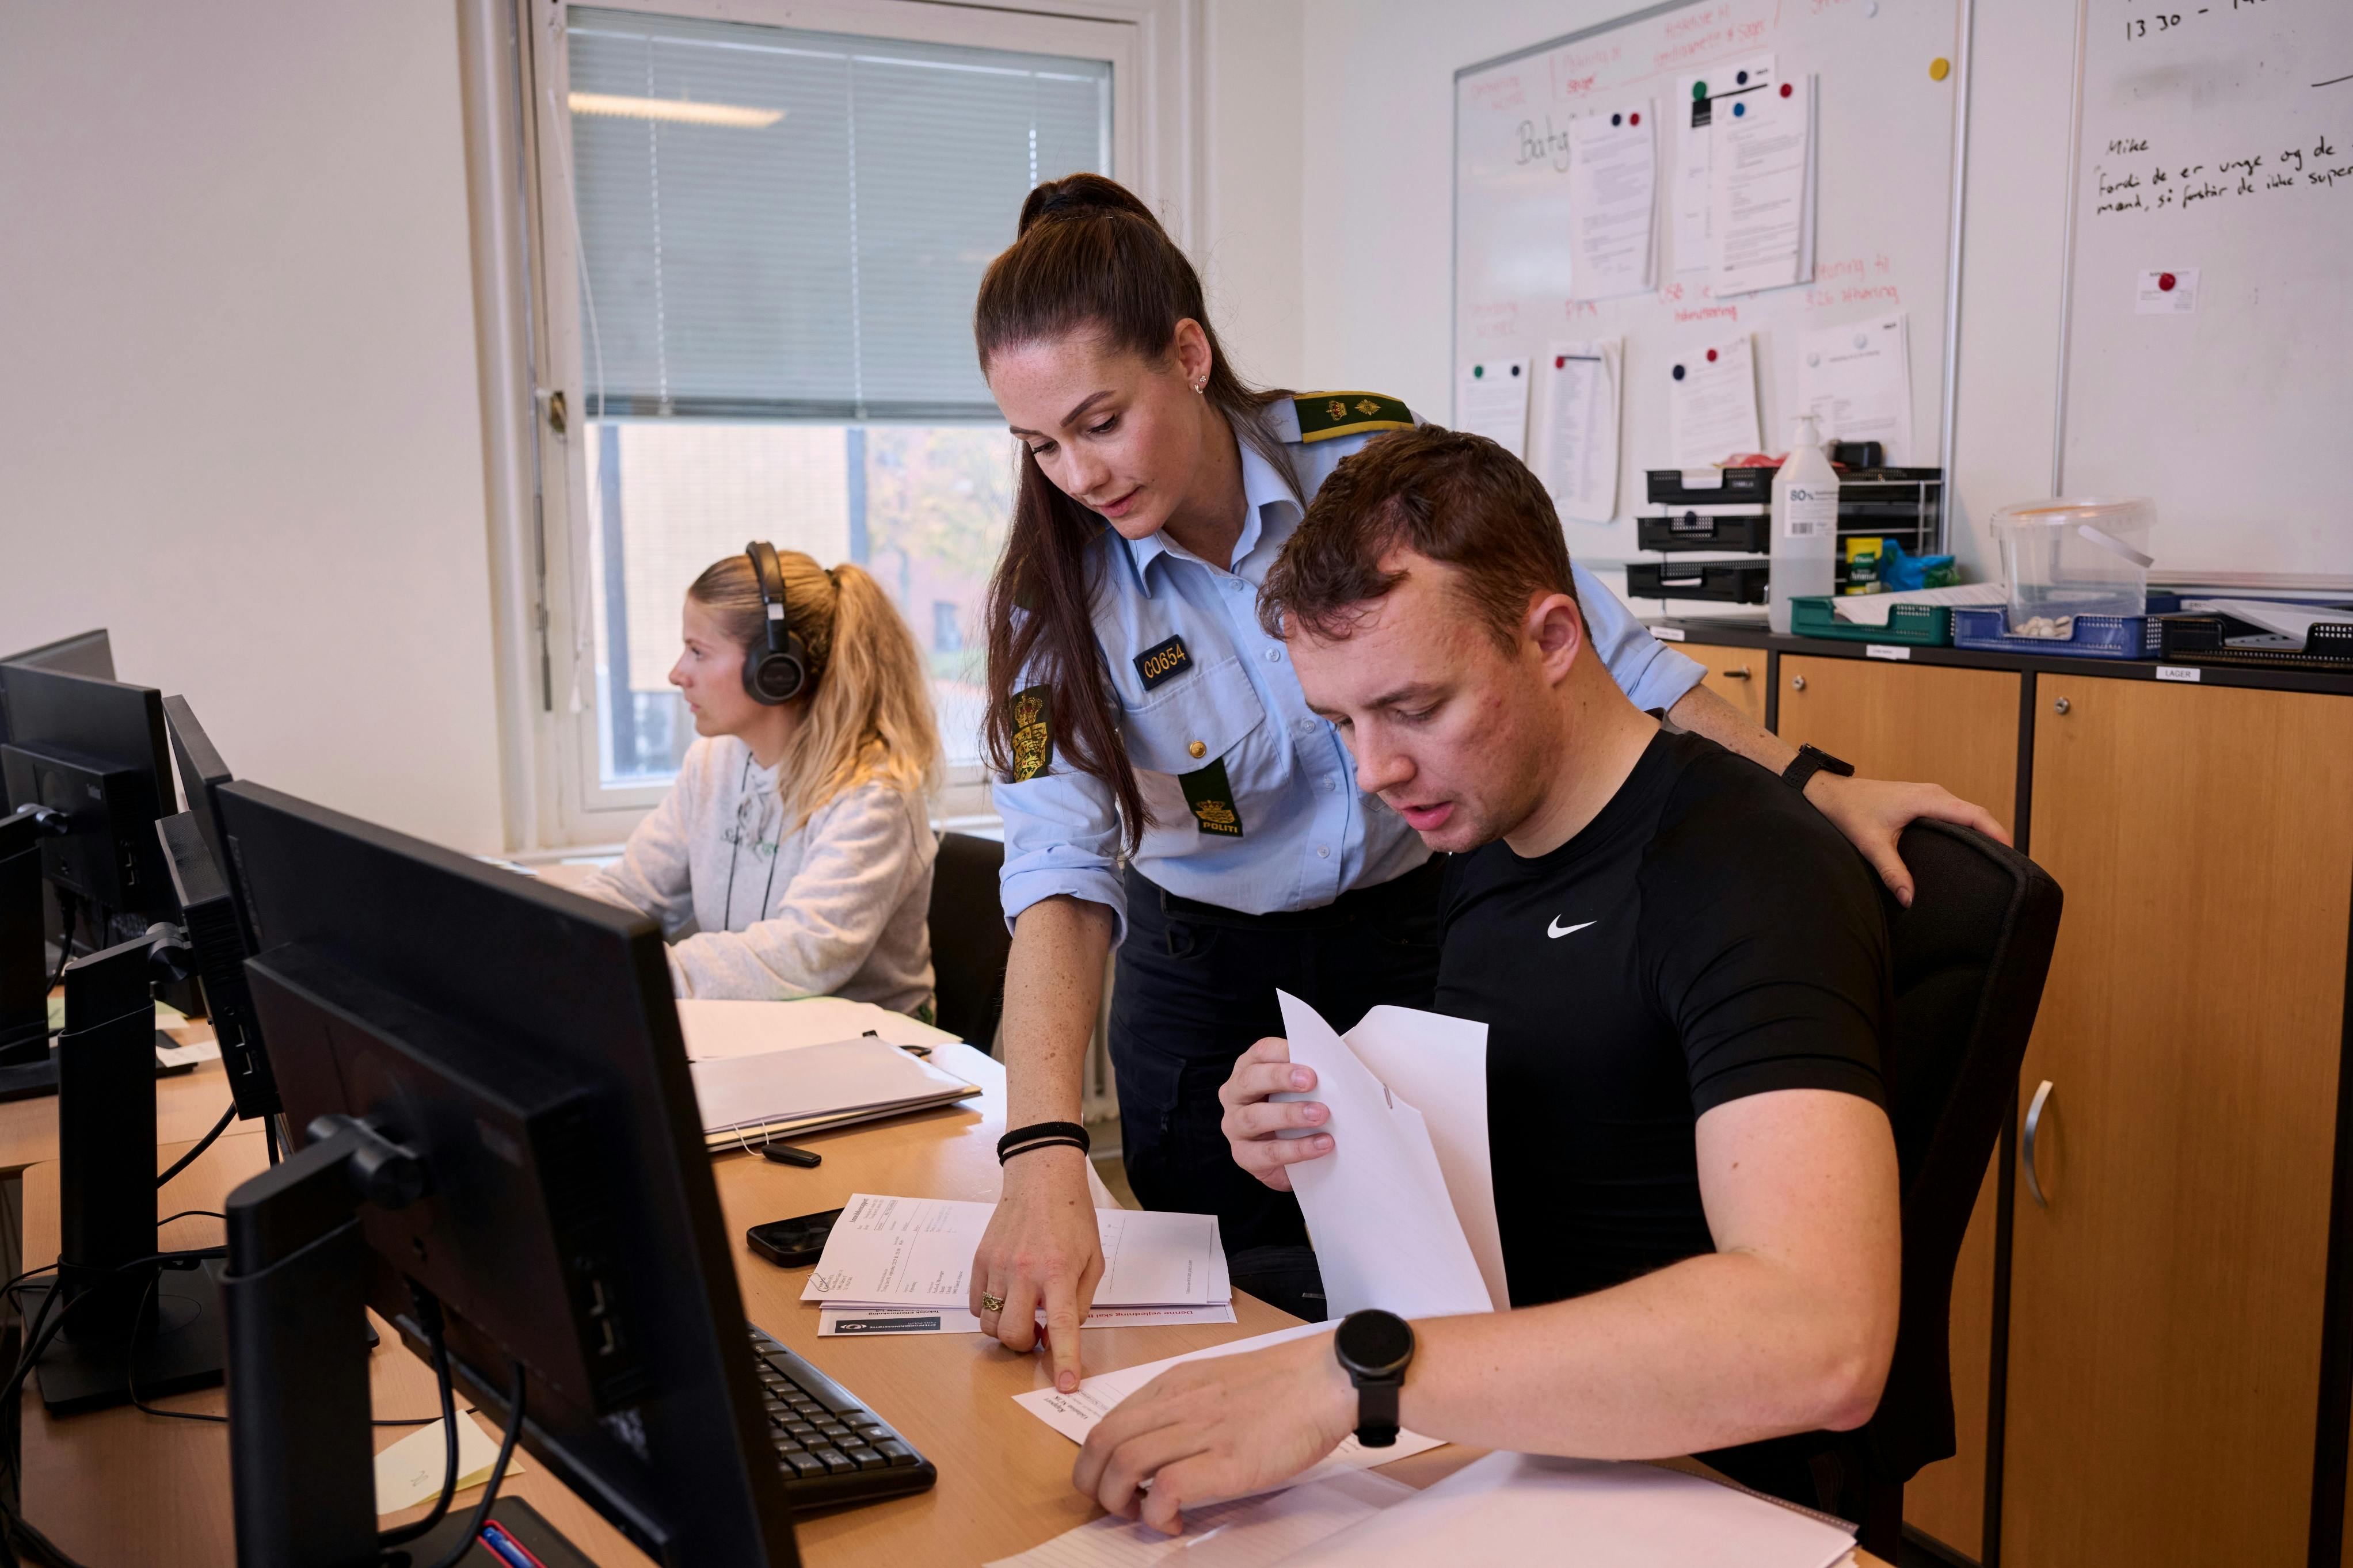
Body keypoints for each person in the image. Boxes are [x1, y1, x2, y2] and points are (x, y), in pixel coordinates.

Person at [966, 172, 1990, 1392]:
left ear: (1186, 355)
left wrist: (1809, 784)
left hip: (1435, 919)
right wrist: (1040, 1150)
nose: (1076, 474)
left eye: (1099, 421)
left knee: (1464, 1260)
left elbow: (1600, 650)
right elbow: (1061, 871)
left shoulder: (1363, 461)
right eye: (1038, 444)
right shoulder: (1054, 593)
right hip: (1213, 968)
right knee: (1240, 1303)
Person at [1072, 425, 1902, 1532]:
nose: (1375, 772)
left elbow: (1822, 1338)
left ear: (1552, 636)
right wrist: (1322, 1132)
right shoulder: (1482, 846)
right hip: (1497, 1441)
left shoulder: (1742, 872)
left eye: (1414, 709)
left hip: (1682, 1499)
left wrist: (1351, 1377)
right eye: (1342, 723)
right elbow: (1545, 1144)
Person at [579, 543, 943, 1016]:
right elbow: (631, 892)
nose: (676, 673)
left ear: (774, 671)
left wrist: (639, 974)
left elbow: (804, 954)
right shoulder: (710, 766)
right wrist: (559, 935)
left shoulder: (872, 792)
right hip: (760, 1036)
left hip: (878, 1055)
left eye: (697, 652)